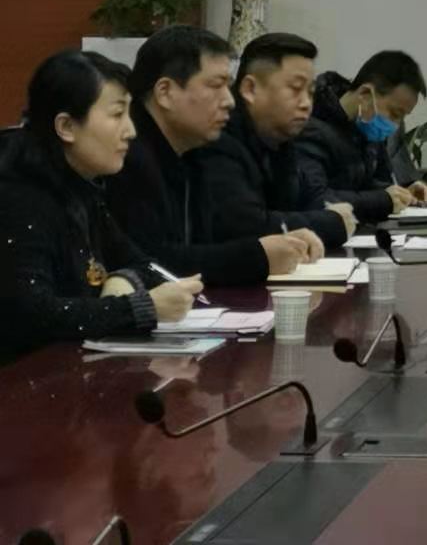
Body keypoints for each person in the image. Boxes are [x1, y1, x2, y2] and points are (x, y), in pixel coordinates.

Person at [0, 51, 203, 361]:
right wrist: (139, 308)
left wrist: (124, 280)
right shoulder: (19, 198)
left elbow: (144, 264)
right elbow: (31, 314)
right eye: (117, 114)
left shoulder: (80, 186)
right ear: (66, 126)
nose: (131, 131)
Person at [105, 25, 322, 285]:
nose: (229, 101)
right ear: (165, 92)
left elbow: (207, 243)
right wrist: (257, 256)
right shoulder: (125, 157)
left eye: (228, 87)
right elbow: (151, 262)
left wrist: (282, 243)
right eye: (216, 86)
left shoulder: (194, 151)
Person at [190, 33, 355, 247]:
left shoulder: (281, 139)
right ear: (250, 89)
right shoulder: (218, 138)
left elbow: (311, 200)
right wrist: (331, 223)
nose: (306, 103)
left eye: (310, 92)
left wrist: (332, 214)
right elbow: (246, 226)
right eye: (295, 89)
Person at [295, 51, 427, 225]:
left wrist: (404, 193)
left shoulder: (367, 128)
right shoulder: (308, 128)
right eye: (394, 113)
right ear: (365, 94)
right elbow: (315, 199)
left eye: (402, 117)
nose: (395, 125)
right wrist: (383, 200)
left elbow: (369, 185)